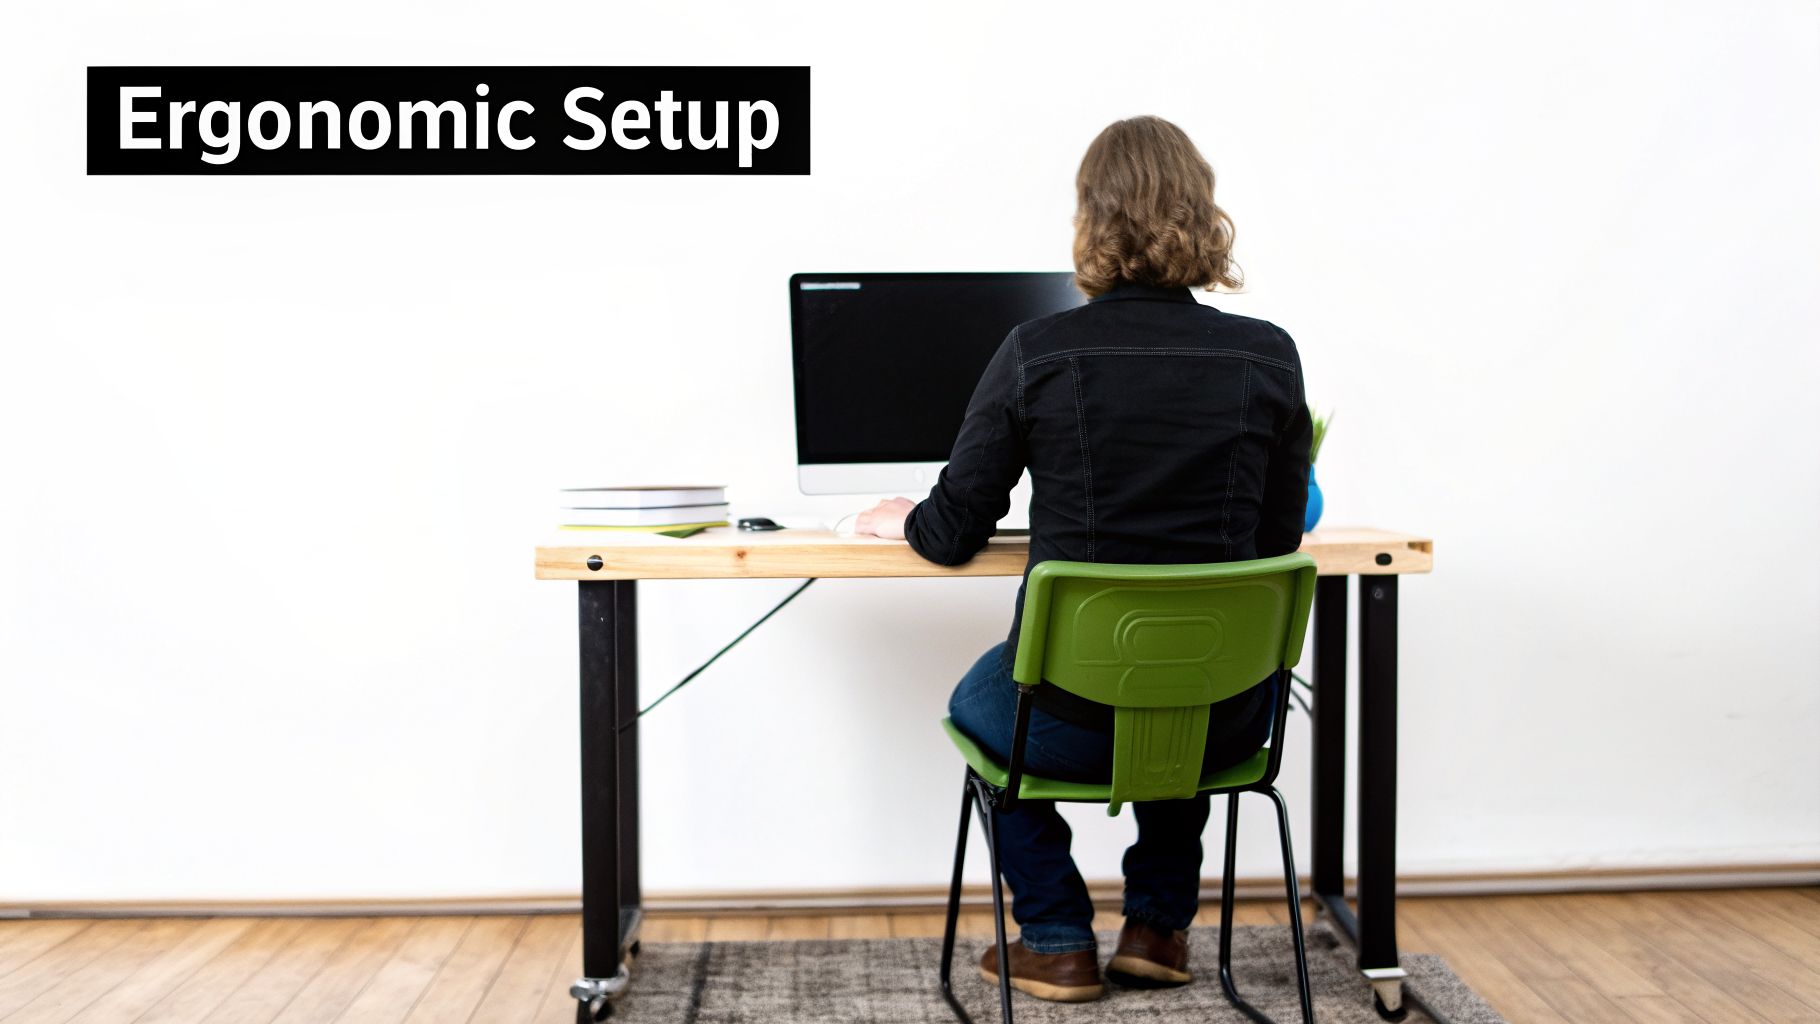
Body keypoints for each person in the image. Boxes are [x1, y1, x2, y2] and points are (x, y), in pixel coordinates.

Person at [853, 115, 1311, 1003]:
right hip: (1228, 719)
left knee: (981, 705)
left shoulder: (1039, 351)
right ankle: (1157, 931)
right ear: (1203, 214)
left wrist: (902, 517)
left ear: (1091, 219)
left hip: (1069, 720)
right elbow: (1278, 541)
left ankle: (1058, 937)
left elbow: (950, 534)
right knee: (1185, 674)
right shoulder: (1268, 355)